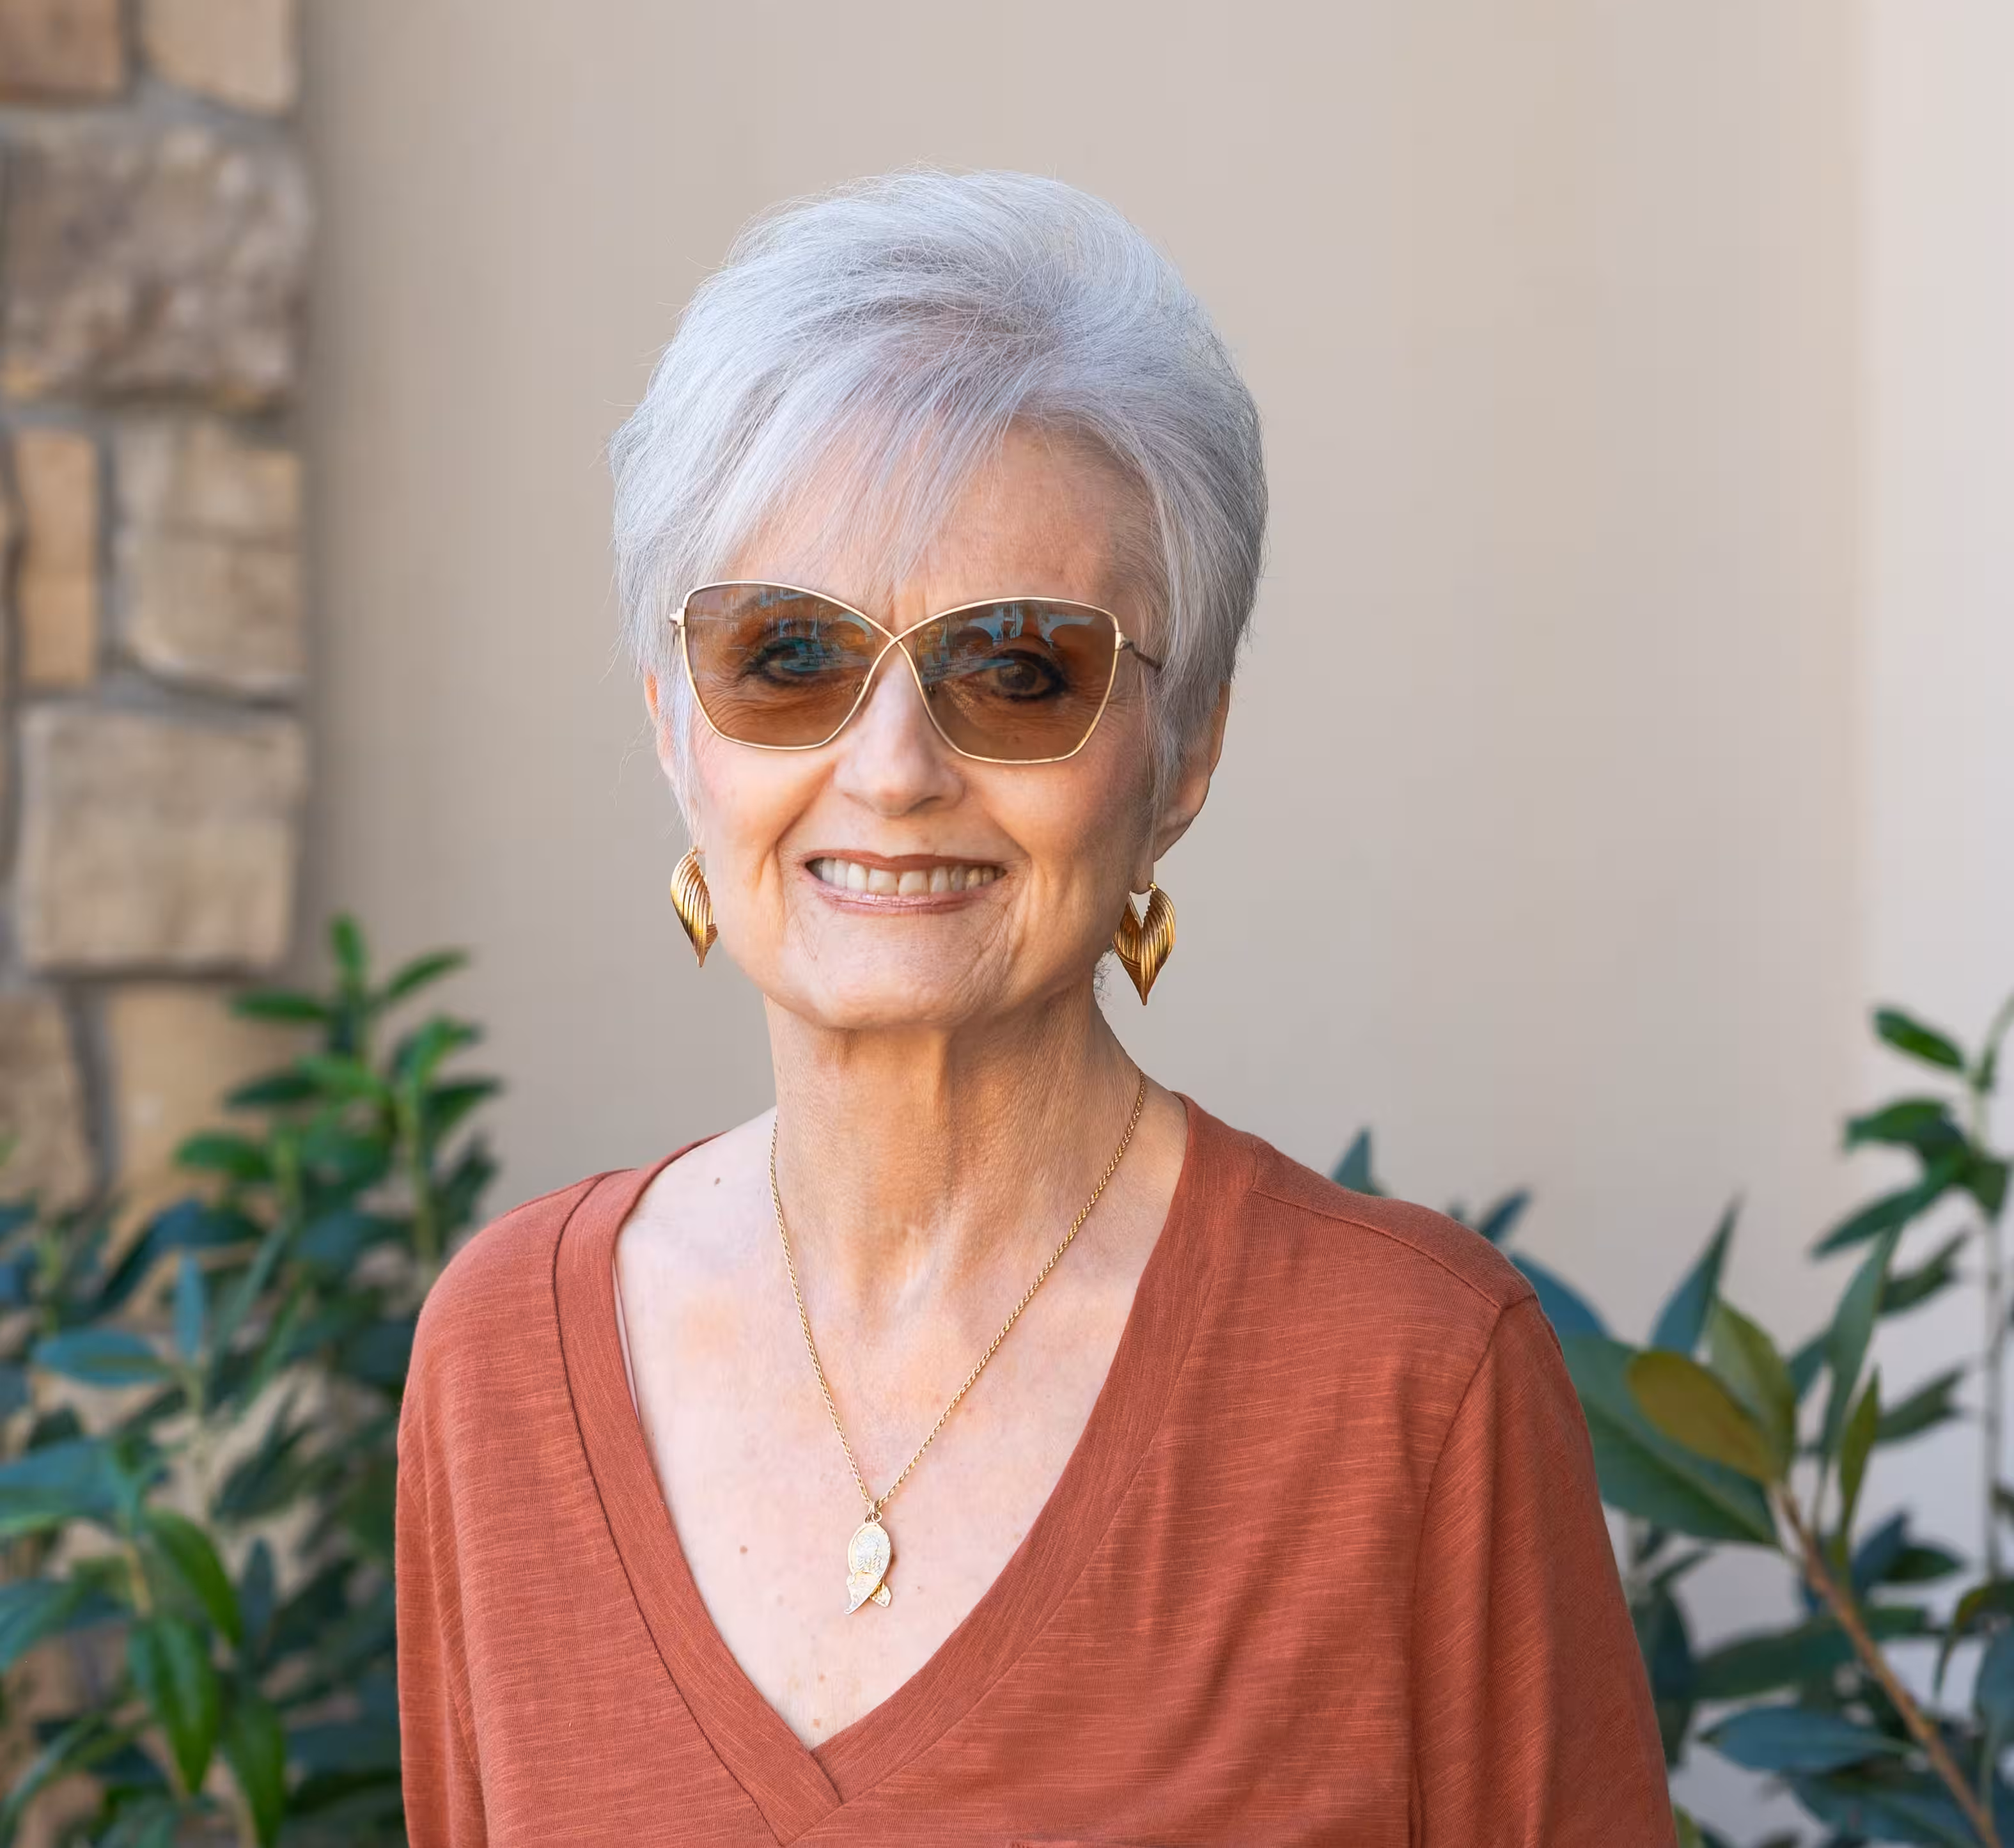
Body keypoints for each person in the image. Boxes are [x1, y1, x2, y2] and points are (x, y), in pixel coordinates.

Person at [394, 170, 1674, 1845]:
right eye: (787, 655)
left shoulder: (1408, 1386)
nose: (894, 769)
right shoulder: (503, 1369)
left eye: (1017, 668)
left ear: (1186, 751)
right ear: (670, 725)